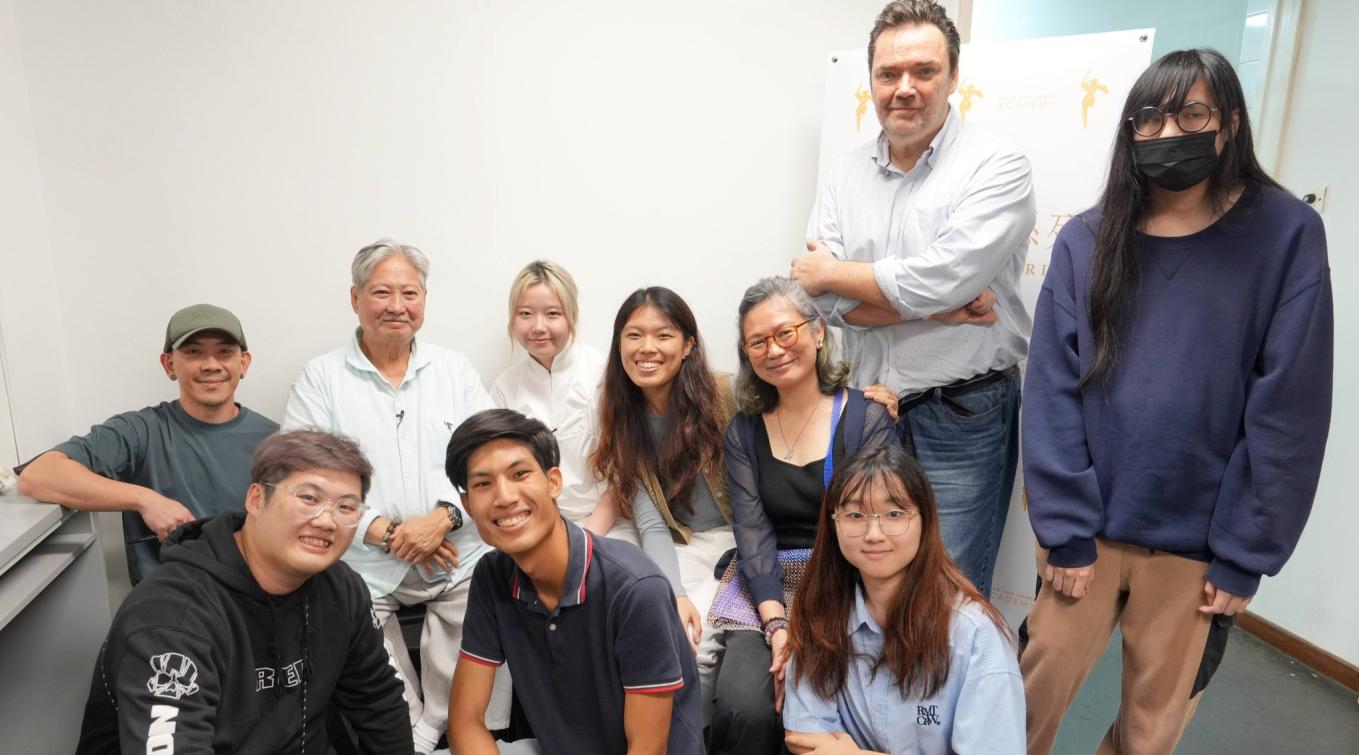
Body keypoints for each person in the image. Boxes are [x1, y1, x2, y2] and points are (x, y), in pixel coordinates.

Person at [1020, 49, 1332, 754]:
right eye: (1148, 118)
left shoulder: (1284, 236)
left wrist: (1244, 549)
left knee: (1149, 730)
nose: (1167, 134)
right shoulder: (1086, 239)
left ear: (1226, 124)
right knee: (1024, 704)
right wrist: (1064, 525)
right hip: (1087, 536)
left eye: (1189, 114)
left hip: (1196, 547)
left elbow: (1288, 405)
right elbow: (1049, 388)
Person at [790, 0, 1036, 598]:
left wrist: (839, 275)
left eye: (924, 71)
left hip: (964, 415)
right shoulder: (843, 176)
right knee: (867, 584)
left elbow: (936, 279)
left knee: (948, 595)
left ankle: (936, 698)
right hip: (868, 409)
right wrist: (938, 305)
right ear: (870, 80)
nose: (905, 88)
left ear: (953, 77)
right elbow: (818, 304)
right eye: (888, 74)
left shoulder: (997, 167)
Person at [283, 239, 505, 752]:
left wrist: (444, 518)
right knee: (342, 626)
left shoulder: (455, 371)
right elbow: (303, 477)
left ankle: (437, 729)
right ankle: (406, 736)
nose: (397, 305)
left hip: (454, 547)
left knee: (497, 594)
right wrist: (382, 531)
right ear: (355, 298)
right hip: (362, 557)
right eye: (382, 292)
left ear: (424, 299)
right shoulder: (321, 379)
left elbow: (489, 456)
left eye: (410, 292)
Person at [75, 429, 411, 753]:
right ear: (256, 499)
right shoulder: (173, 618)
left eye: (346, 507)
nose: (327, 520)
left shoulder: (341, 587)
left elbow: (378, 700)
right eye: (308, 498)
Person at [711, 276, 897, 754]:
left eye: (784, 333)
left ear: (817, 332)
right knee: (744, 706)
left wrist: (812, 626)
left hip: (846, 583)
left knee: (817, 702)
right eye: (757, 342)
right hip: (766, 586)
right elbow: (752, 531)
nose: (773, 350)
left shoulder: (866, 418)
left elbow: (878, 532)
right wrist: (777, 628)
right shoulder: (744, 430)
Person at [446, 409, 703, 755]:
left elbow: (647, 749)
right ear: (467, 504)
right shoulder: (492, 575)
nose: (504, 497)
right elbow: (466, 718)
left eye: (519, 474)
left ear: (553, 482)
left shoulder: (634, 588)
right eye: (483, 484)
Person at [784, 444, 1024, 754]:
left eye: (894, 514)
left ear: (925, 521)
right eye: (855, 514)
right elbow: (806, 741)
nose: (874, 533)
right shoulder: (820, 613)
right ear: (834, 523)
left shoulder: (974, 635)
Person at [17, 303, 278, 585]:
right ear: (169, 365)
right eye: (193, 352)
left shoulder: (275, 441)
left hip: (252, 602)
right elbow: (38, 477)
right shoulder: (139, 431)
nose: (211, 364)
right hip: (169, 606)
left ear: (244, 363)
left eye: (224, 352)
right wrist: (145, 500)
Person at [589, 286, 737, 722]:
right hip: (682, 545)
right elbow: (652, 524)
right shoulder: (623, 416)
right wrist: (674, 592)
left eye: (663, 335)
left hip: (740, 544)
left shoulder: (727, 394)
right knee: (664, 629)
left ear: (689, 344)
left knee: (698, 643)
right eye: (634, 335)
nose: (647, 348)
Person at [490, 260, 634, 542]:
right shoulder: (503, 389)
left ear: (571, 316)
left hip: (608, 525)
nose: (538, 327)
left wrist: (585, 539)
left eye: (552, 313)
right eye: (526, 314)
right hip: (534, 526)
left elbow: (623, 476)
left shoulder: (604, 375)